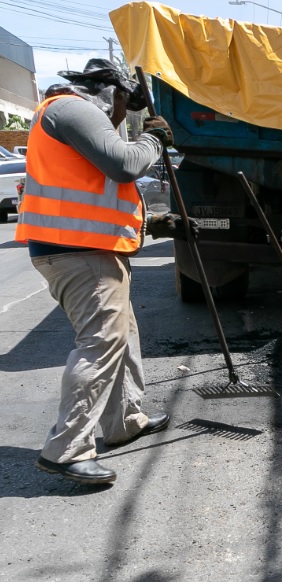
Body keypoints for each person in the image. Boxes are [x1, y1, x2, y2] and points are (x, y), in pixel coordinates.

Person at [15, 58, 198, 485]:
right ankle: (66, 449)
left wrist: (153, 223)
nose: (121, 117)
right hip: (78, 253)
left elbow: (89, 197)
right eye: (123, 106)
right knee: (100, 343)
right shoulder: (71, 108)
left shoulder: (69, 115)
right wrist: (153, 139)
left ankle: (125, 420)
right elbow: (124, 166)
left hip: (88, 248)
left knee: (122, 337)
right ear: (112, 92)